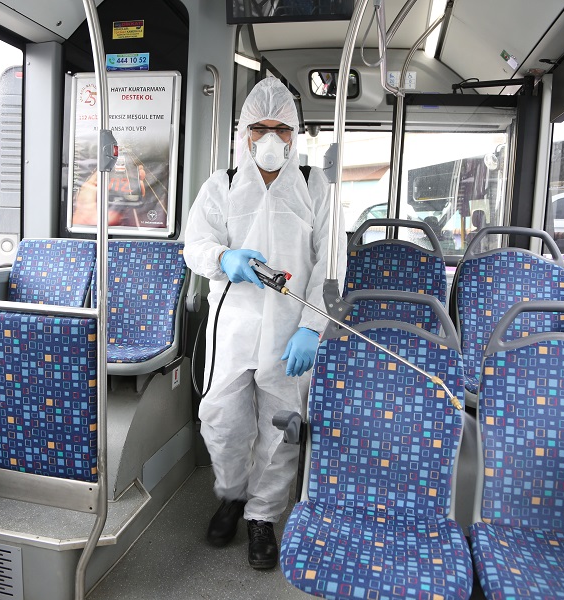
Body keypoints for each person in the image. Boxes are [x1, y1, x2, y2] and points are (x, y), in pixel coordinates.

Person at [184, 77, 346, 569]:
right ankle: (232, 495)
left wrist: (312, 327)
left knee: (281, 428)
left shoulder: (316, 186)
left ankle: (262, 517)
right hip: (232, 327)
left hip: (288, 329)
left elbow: (330, 265)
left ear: (294, 134)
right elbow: (195, 246)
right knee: (221, 421)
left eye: (281, 128)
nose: (271, 138)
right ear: (244, 132)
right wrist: (224, 258)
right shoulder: (222, 184)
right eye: (260, 128)